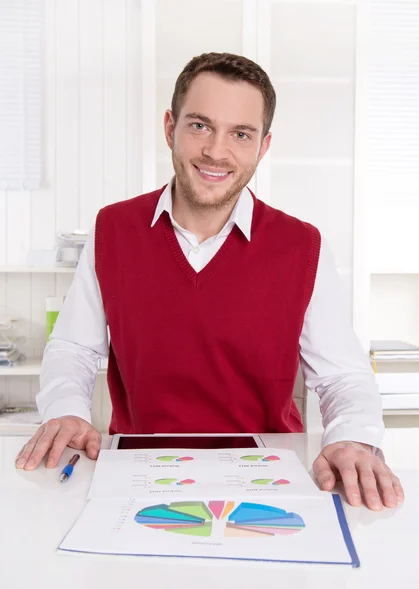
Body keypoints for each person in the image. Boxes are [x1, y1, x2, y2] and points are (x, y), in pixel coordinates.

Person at [15, 52, 403, 511]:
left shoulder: (303, 246)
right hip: (139, 477)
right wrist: (66, 410)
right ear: (169, 129)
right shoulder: (112, 229)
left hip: (266, 478)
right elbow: (75, 348)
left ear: (263, 146)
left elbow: (342, 376)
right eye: (200, 125)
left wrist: (354, 438)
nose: (217, 151)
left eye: (241, 134)